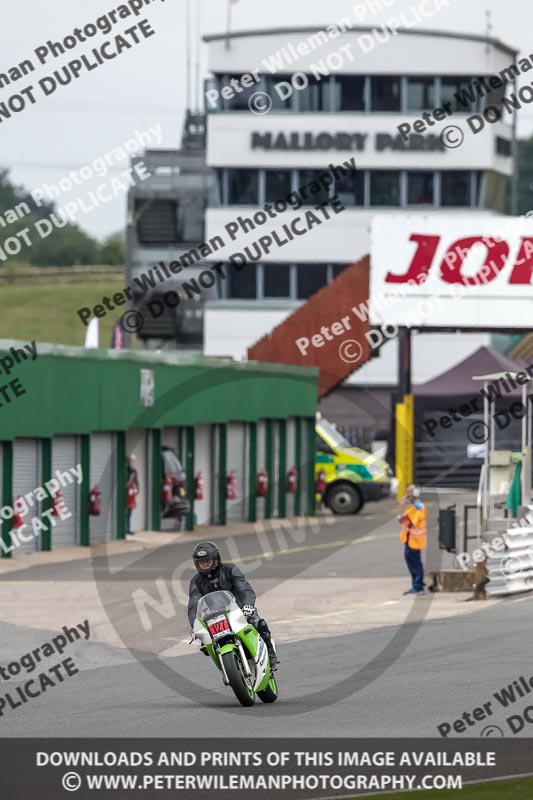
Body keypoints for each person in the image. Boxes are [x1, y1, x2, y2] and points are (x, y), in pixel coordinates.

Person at [187, 541, 278, 668]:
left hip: (239, 610)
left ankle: (270, 653)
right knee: (206, 644)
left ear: (216, 559)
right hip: (214, 617)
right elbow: (193, 605)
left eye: (208, 561)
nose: (205, 564)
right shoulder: (195, 581)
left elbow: (245, 589)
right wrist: (194, 625)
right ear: (196, 563)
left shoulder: (230, 570)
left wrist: (248, 605)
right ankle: (226, 667)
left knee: (258, 623)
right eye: (202, 562)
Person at [398, 484, 428, 596]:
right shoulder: (415, 506)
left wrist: (403, 504)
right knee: (413, 562)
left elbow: (403, 518)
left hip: (414, 539)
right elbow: (402, 520)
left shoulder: (417, 507)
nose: (407, 495)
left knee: (415, 563)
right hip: (410, 539)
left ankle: (418, 586)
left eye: (409, 493)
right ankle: (417, 584)